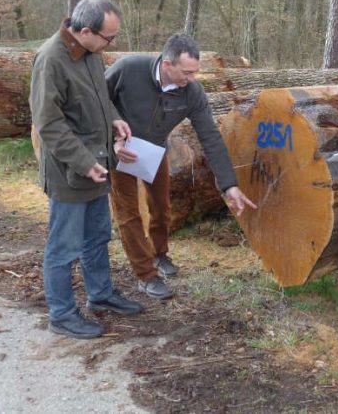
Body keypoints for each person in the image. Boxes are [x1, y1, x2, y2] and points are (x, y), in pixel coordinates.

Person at [105, 33, 256, 299]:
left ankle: (160, 254)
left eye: (195, 72)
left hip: (154, 151)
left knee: (161, 207)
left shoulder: (192, 93)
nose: (192, 78)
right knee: (128, 213)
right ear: (167, 65)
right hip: (120, 150)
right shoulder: (128, 69)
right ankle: (145, 275)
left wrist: (229, 186)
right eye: (187, 72)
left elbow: (210, 137)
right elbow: (97, 100)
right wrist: (113, 136)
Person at [30, 0, 144, 340]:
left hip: (99, 164)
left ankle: (101, 295)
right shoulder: (51, 60)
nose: (111, 43)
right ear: (83, 31)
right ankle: (62, 314)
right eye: (108, 38)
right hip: (69, 173)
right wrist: (83, 162)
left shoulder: (91, 53)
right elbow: (48, 124)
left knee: (97, 236)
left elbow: (100, 98)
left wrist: (115, 121)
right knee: (63, 246)